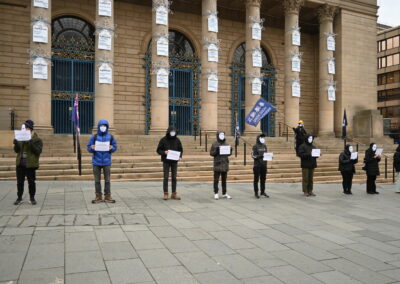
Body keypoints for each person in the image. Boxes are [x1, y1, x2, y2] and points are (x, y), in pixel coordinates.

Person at [87, 120, 117, 203]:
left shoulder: (110, 137)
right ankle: (98, 196)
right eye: (101, 126)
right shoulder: (94, 137)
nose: (103, 127)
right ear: (99, 127)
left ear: (107, 127)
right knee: (97, 180)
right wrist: (91, 148)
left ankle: (108, 196)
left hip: (107, 162)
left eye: (105, 126)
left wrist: (112, 148)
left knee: (107, 180)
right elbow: (88, 148)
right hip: (96, 162)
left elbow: (115, 147)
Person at [13, 120, 43, 205]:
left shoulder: (37, 140)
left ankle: (32, 198)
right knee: (19, 182)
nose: (24, 130)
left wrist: (30, 143)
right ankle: (19, 198)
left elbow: (38, 151)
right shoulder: (20, 138)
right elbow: (16, 151)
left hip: (30, 164)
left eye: (26, 128)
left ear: (30, 129)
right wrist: (15, 144)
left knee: (31, 182)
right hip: (20, 163)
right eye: (24, 128)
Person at [156, 126, 183, 200]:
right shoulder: (163, 140)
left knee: (174, 177)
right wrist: (164, 152)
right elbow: (158, 150)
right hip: (166, 161)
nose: (173, 133)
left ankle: (174, 193)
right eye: (172, 132)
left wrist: (180, 156)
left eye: (174, 132)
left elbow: (180, 149)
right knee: (166, 177)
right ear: (168, 132)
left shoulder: (177, 140)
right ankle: (165, 193)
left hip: (174, 161)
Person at [210, 131, 232, 200]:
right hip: (218, 164)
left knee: (224, 180)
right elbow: (211, 153)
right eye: (220, 134)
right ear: (218, 135)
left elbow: (228, 154)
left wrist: (230, 150)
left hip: (225, 164)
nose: (222, 136)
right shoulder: (214, 144)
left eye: (223, 134)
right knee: (216, 179)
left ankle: (224, 193)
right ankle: (216, 193)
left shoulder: (226, 144)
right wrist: (216, 150)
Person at [251, 133, 269, 198]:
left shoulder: (264, 146)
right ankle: (256, 192)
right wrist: (260, 156)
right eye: (262, 138)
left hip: (264, 165)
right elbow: (253, 156)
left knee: (263, 179)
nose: (263, 139)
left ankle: (262, 191)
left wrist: (269, 157)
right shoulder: (255, 146)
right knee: (256, 179)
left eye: (264, 138)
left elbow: (266, 155)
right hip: (257, 165)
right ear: (259, 139)